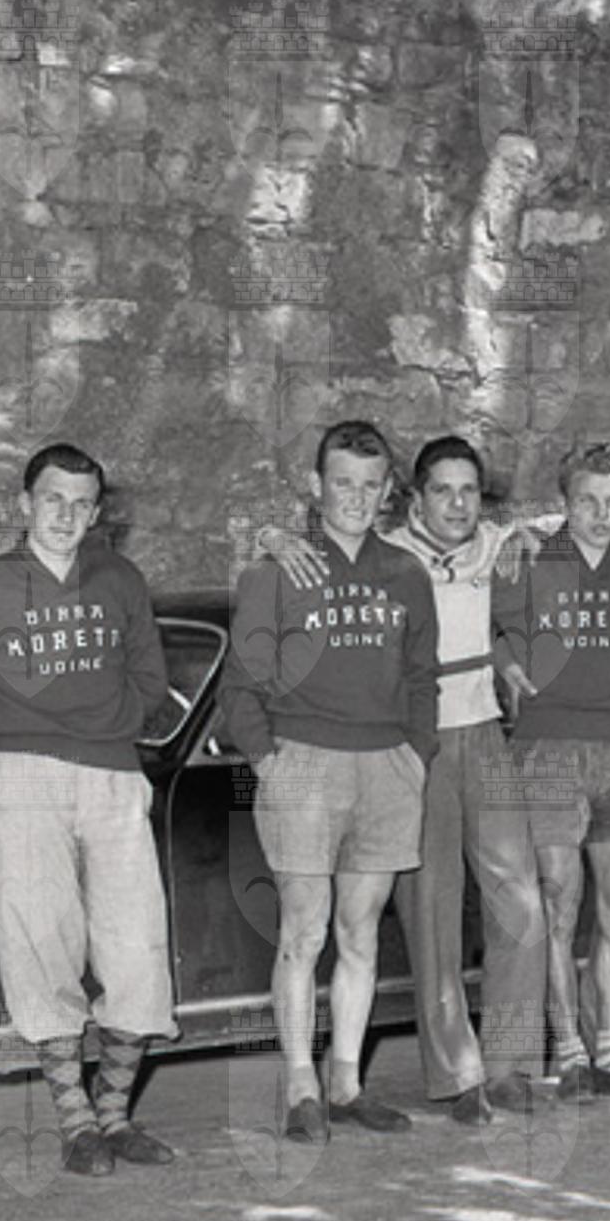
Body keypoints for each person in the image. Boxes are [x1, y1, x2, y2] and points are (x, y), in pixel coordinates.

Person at [259, 436, 551, 1121]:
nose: (457, 504)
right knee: (432, 912)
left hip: (485, 733)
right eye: (442, 490)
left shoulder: (499, 545)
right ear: (414, 498)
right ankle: (459, 1075)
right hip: (417, 745)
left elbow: (591, 520)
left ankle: (511, 1064)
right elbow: (298, 541)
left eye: (469, 490)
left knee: (521, 901)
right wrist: (274, 537)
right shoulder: (387, 553)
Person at [0, 442, 178, 1177]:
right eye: (54, 499)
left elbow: (150, 680)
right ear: (25, 503)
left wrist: (105, 728)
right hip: (22, 780)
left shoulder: (120, 579)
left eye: (82, 503)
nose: (67, 515)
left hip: (112, 774)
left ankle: (116, 1116)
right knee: (41, 943)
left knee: (136, 946)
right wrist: (3, 748)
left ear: (98, 513)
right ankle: (77, 1124)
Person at [219, 420, 441, 1142]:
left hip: (386, 765)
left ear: (388, 492)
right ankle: (300, 1087)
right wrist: (270, 760)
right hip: (304, 763)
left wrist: (416, 754)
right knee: (303, 930)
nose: (355, 497)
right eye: (342, 482)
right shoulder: (276, 571)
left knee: (360, 931)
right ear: (316, 486)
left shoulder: (406, 573)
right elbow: (240, 685)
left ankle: (346, 1081)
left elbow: (422, 676)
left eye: (370, 485)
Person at [491, 441, 610, 1101]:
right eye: (587, 501)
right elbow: (481, 622)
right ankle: (569, 1051)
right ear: (564, 503)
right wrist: (503, 660)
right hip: (548, 747)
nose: (601, 515)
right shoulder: (528, 556)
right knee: (558, 905)